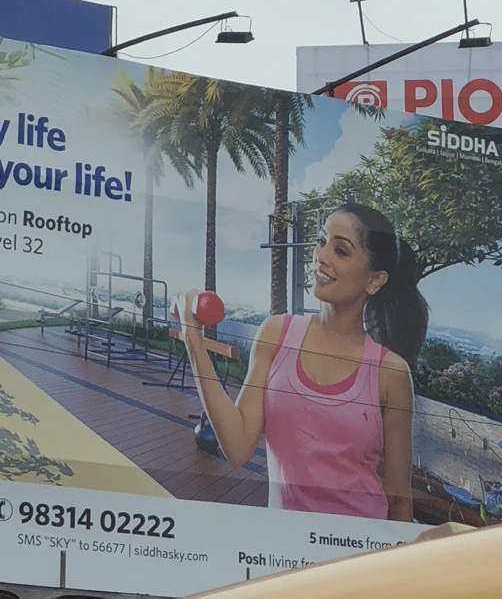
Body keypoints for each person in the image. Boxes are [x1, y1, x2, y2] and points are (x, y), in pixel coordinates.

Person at [180, 202, 429, 522]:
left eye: (341, 251)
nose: (322, 256)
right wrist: (194, 343)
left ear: (374, 280)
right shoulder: (275, 333)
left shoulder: (390, 373)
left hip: (359, 550)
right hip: (284, 546)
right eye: (321, 240)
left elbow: (398, 498)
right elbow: (237, 446)